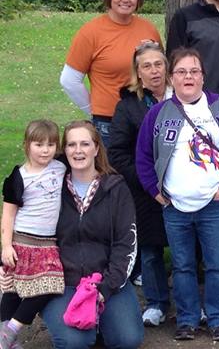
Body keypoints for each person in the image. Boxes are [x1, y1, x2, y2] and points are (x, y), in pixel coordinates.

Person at [136, 48, 219, 342]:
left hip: (213, 204)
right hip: (174, 207)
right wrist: (155, 191)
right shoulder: (158, 114)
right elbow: (143, 157)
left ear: (203, 76)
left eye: (194, 71)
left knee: (216, 264)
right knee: (182, 266)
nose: (188, 77)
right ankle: (187, 320)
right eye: (182, 72)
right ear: (172, 77)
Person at [41, 120, 142, 349]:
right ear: (64, 150)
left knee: (127, 340)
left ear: (96, 148)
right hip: (62, 283)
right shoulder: (51, 188)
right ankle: (80, 326)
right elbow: (28, 227)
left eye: (85, 144)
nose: (78, 151)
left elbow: (126, 244)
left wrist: (105, 288)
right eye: (71, 144)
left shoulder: (116, 188)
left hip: (105, 280)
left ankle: (98, 321)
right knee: (74, 342)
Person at [107, 42, 171, 327]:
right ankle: (156, 303)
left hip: (185, 187)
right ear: (138, 72)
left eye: (158, 64)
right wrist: (146, 180)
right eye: (147, 66)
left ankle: (191, 302)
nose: (154, 71)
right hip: (144, 190)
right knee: (151, 249)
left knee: (189, 248)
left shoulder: (186, 97)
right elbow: (117, 153)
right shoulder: (129, 106)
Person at [60, 0, 162, 145]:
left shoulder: (148, 29)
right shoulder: (90, 32)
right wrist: (92, 110)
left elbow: (161, 72)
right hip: (109, 122)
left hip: (147, 117)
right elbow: (69, 80)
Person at [0, 120, 66, 349]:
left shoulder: (60, 166)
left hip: (48, 243)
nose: (45, 150)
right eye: (39, 145)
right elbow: (8, 215)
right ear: (27, 145)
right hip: (22, 240)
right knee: (14, 289)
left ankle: (9, 332)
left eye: (51, 145)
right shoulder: (18, 177)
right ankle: (7, 338)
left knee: (49, 285)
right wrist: (6, 246)